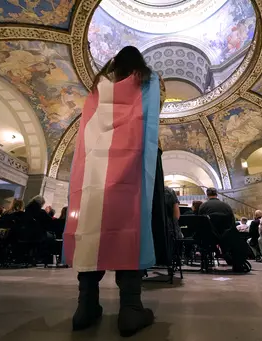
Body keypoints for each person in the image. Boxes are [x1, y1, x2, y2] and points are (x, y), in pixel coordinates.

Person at [64, 46, 162, 337]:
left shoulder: (98, 87)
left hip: (93, 172)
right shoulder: (148, 80)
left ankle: (86, 307)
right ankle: (131, 309)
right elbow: (151, 119)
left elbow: (87, 128)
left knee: (91, 231)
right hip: (129, 171)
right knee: (127, 231)